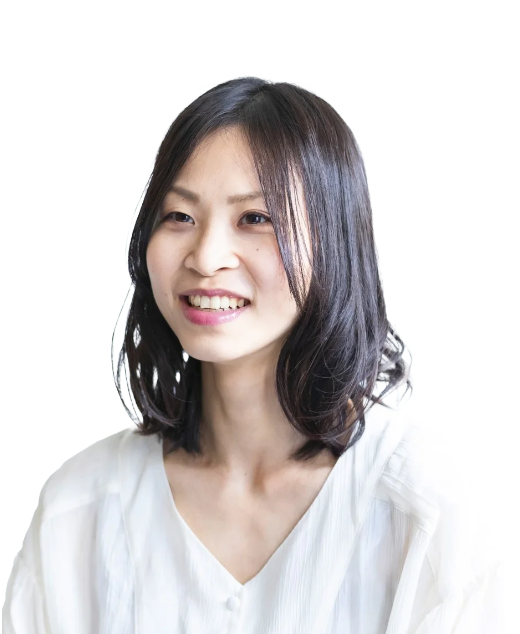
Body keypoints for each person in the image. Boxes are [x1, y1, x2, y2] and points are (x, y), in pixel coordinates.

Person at [2, 77, 504, 633]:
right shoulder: (80, 508)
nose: (207, 256)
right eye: (180, 216)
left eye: (255, 218)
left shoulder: (427, 509)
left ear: (334, 240)